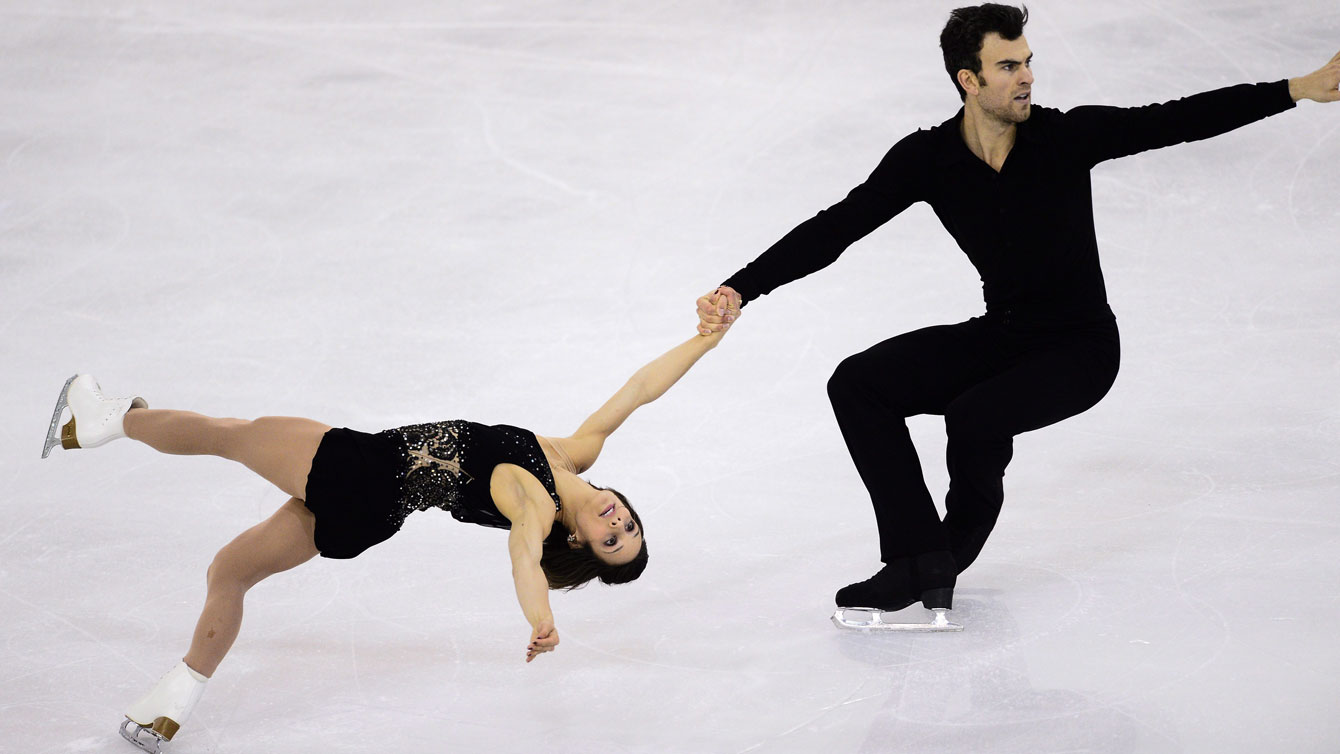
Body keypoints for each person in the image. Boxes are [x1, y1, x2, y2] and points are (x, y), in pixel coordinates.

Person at [695, 4, 1340, 625]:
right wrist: (741, 288)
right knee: (857, 383)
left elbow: (1176, 119)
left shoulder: (1065, 137)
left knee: (976, 417)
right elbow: (837, 226)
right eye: (1008, 66)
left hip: (1080, 351)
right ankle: (915, 557)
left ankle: (946, 555)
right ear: (968, 80)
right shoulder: (929, 158)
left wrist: (1299, 88)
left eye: (1028, 61)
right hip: (1005, 334)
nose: (1027, 75)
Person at [41, 326, 726, 752]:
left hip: (354, 469)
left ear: (577, 540)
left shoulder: (537, 503)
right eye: (628, 525)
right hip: (367, 518)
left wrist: (541, 617)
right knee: (231, 570)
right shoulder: (574, 454)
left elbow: (522, 552)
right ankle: (173, 701)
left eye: (612, 540)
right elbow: (639, 389)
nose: (617, 522)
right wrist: (706, 339)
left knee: (227, 435)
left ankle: (100, 422)